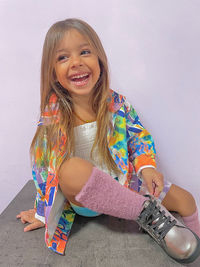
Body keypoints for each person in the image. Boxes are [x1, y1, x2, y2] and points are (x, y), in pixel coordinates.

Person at [16, 18, 200, 263]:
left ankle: (186, 240)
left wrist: (148, 167)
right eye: (63, 57)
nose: (76, 62)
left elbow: (138, 137)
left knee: (186, 199)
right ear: (52, 72)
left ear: (99, 59)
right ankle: (148, 215)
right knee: (70, 169)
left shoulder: (117, 104)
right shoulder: (53, 115)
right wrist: (42, 213)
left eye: (84, 52)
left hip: (124, 186)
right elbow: (41, 166)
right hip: (81, 199)